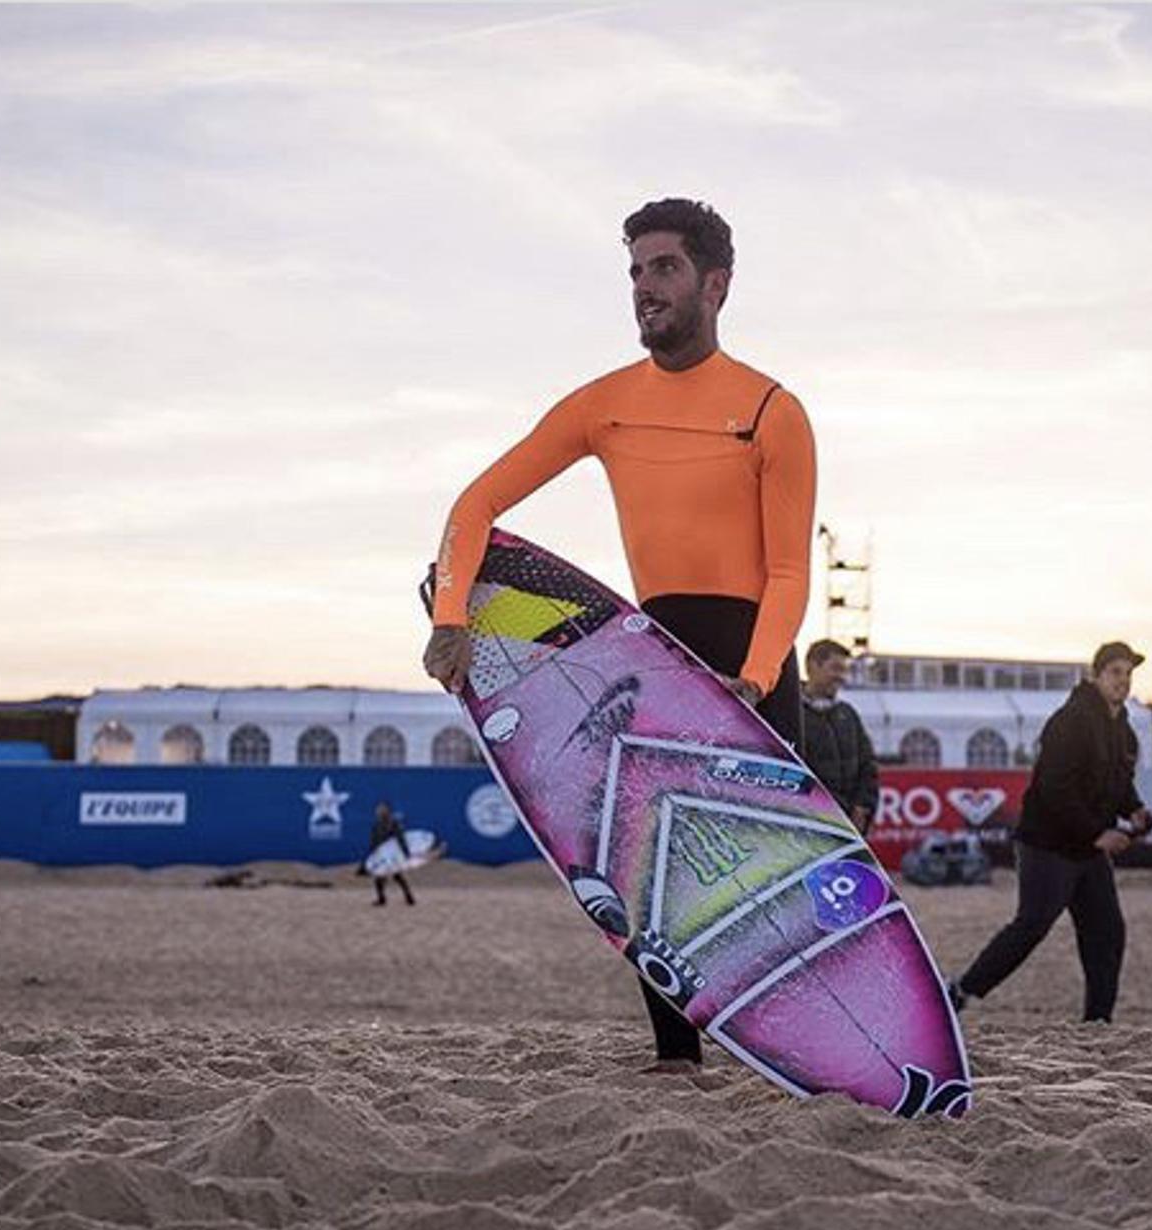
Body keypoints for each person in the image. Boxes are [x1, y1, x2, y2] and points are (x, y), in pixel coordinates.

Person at [422, 197, 817, 1073]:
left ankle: (791, 1045)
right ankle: (677, 1055)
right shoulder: (604, 406)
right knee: (646, 862)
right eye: (635, 272)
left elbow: (790, 574)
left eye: (664, 268)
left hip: (752, 659)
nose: (644, 288)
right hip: (653, 653)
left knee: (759, 868)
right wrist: (452, 618)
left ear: (716, 284)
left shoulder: (770, 410)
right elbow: (475, 506)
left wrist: (750, 681)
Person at [949, 641, 1152, 1022]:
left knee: (1107, 931)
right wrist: (1098, 834)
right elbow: (1054, 789)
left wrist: (1135, 809)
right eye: (1115, 672)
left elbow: (1119, 784)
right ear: (1096, 675)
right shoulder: (1070, 720)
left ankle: (1098, 1022)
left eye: (1128, 674)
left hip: (1087, 850)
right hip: (1047, 844)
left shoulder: (1123, 729)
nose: (1123, 681)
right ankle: (961, 991)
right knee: (1032, 925)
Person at [800, 638, 878, 833]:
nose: (841, 677)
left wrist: (863, 807)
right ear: (812, 666)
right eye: (835, 668)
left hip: (849, 826)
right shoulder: (791, 712)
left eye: (845, 670)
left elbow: (868, 766)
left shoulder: (848, 714)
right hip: (810, 825)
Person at [363, 802, 417, 908]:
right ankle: (382, 899)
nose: (378, 812)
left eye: (381, 810)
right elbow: (374, 841)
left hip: (392, 855)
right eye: (378, 810)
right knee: (379, 877)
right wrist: (373, 854)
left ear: (387, 811)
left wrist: (405, 852)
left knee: (397, 876)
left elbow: (400, 838)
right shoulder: (377, 825)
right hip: (381, 855)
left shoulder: (394, 823)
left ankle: (409, 897)